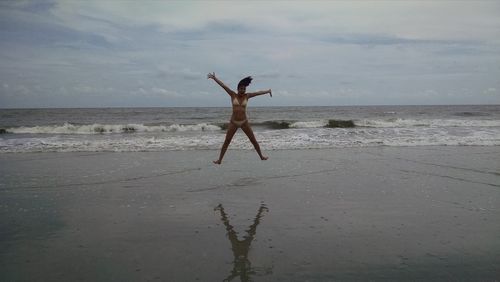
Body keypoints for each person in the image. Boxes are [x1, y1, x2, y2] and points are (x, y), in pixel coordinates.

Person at [207, 72, 272, 164]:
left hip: (244, 122)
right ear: (238, 89)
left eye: (244, 89)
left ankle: (261, 156)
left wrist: (268, 91)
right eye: (241, 88)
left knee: (253, 140)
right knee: (227, 141)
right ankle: (220, 160)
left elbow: (258, 93)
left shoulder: (247, 96)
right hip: (234, 122)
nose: (243, 90)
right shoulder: (232, 94)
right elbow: (223, 86)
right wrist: (215, 78)